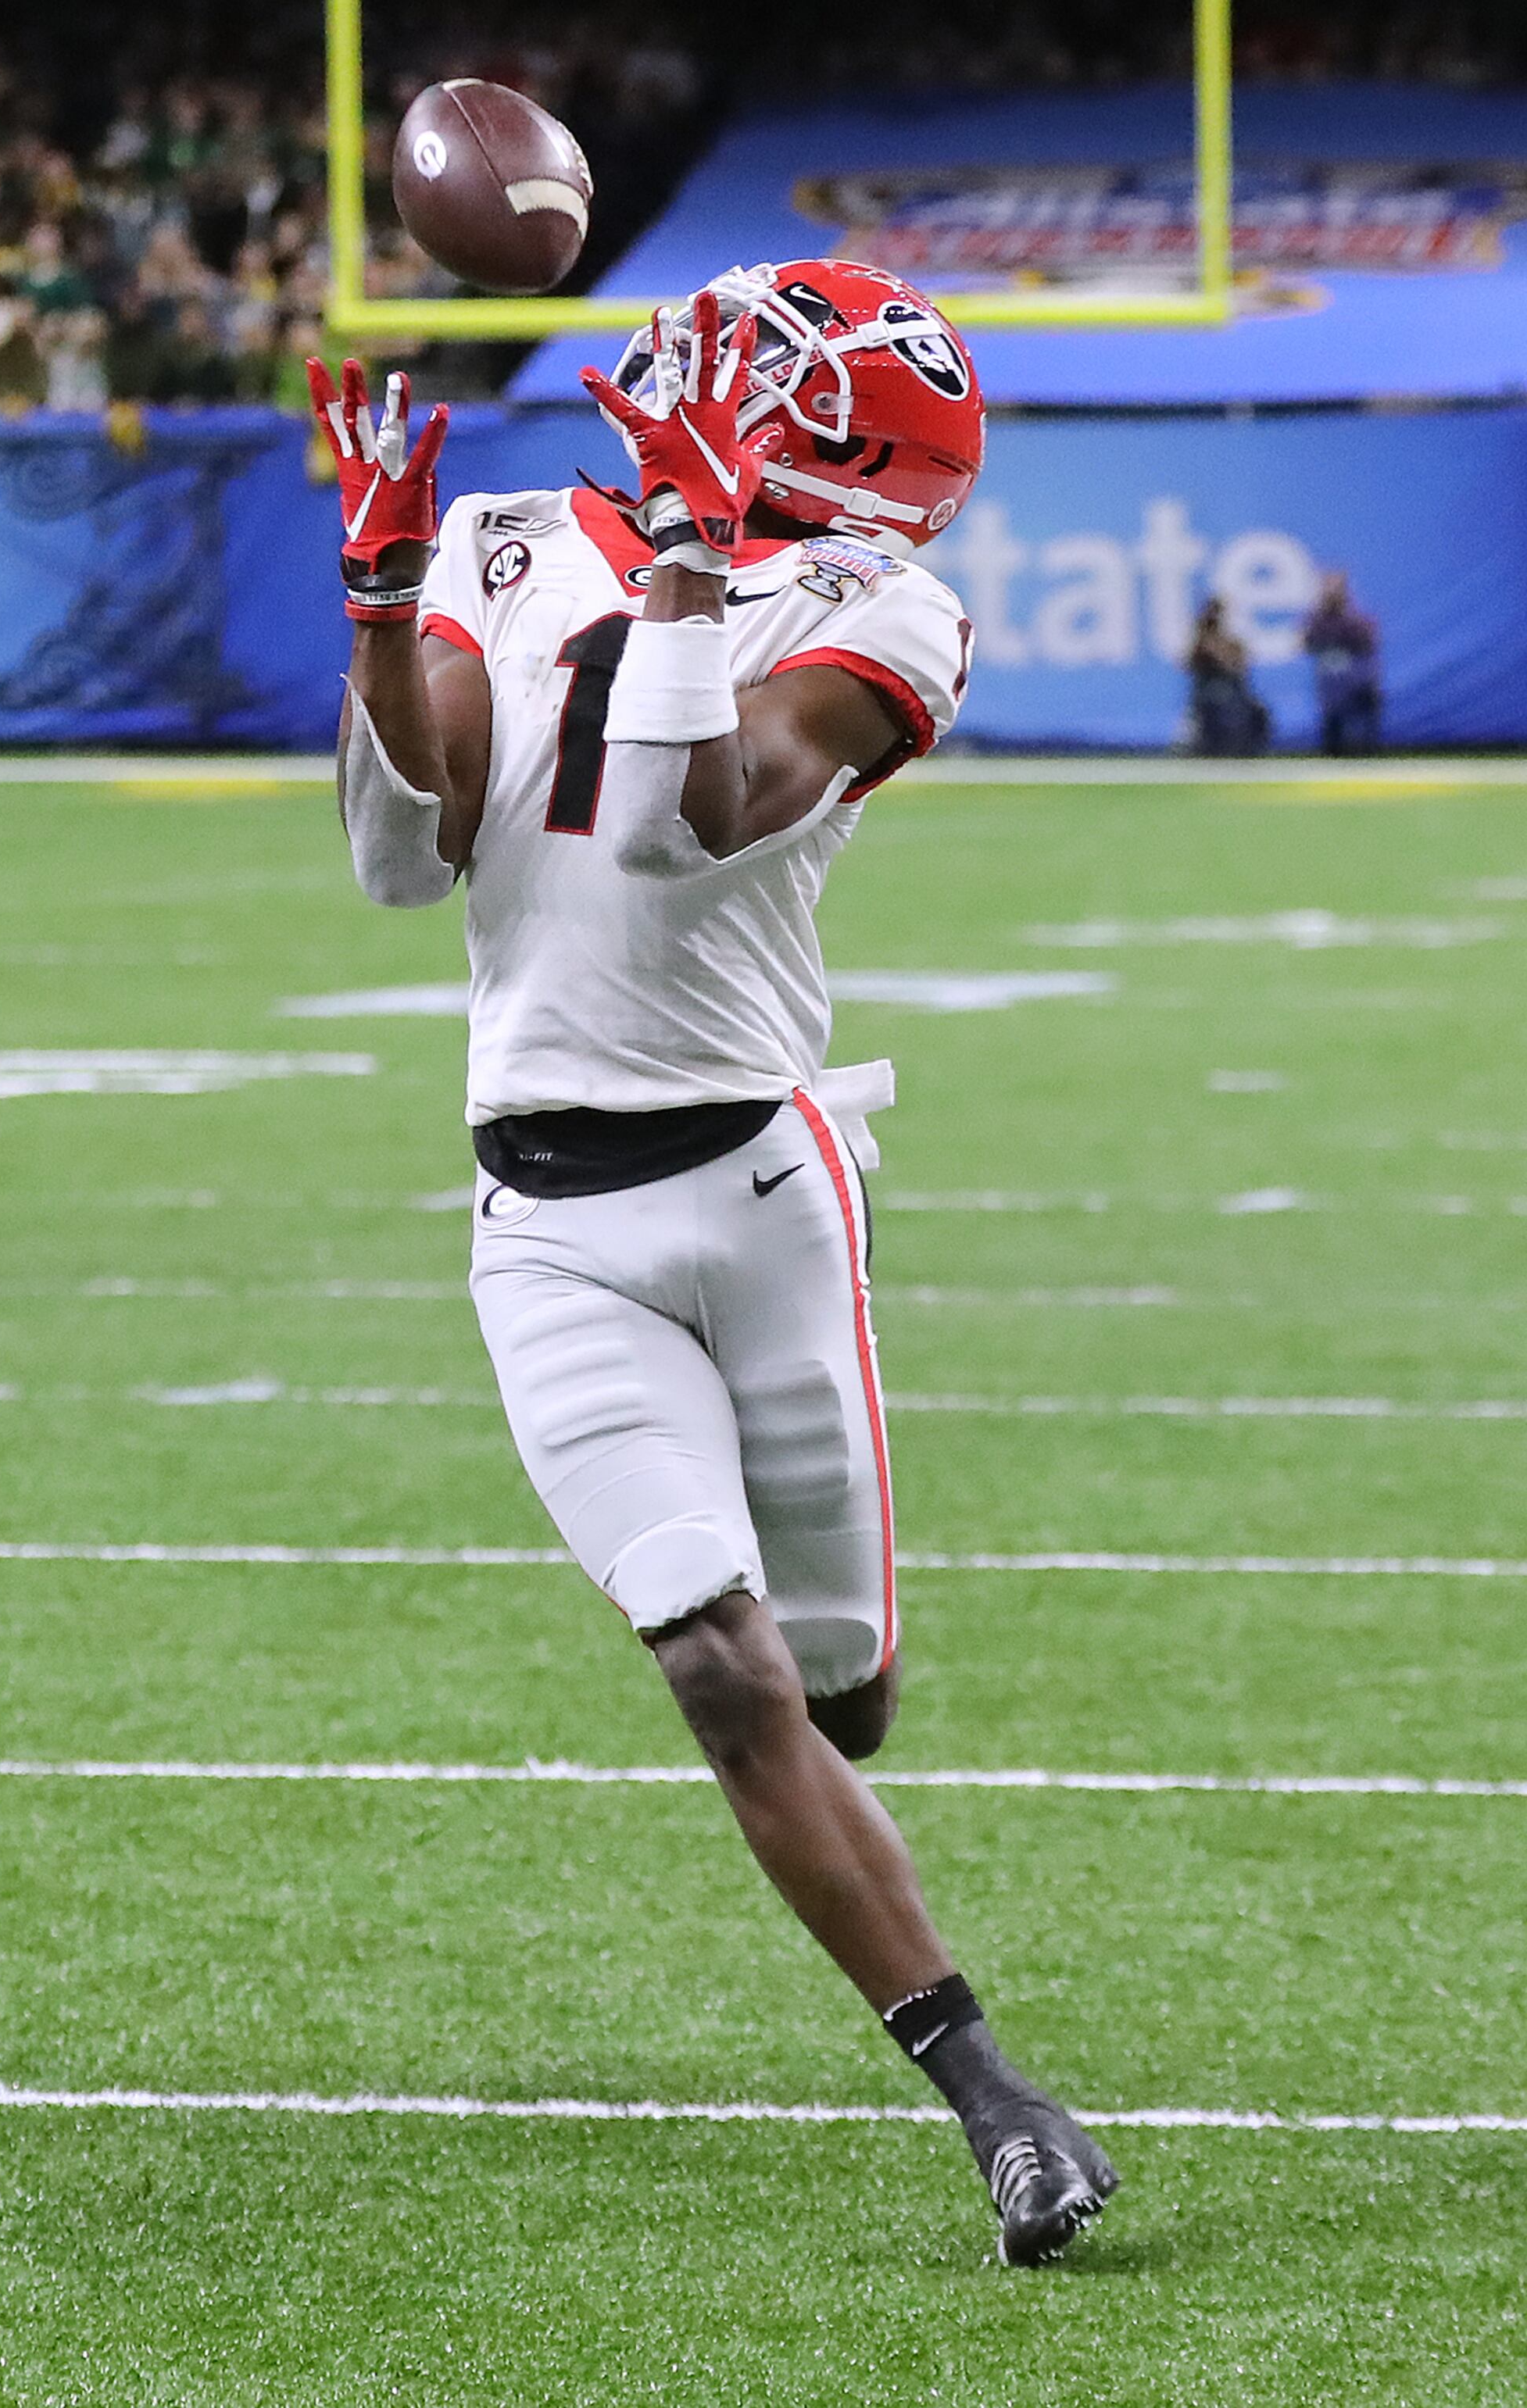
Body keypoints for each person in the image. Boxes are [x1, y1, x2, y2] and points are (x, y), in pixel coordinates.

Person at [313, 260, 1115, 2268]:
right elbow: (402, 858)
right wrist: (377, 611)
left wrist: (682, 567)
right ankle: (989, 2092)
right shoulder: (502, 541)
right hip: (548, 1228)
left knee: (834, 1697)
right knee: (711, 1661)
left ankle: (849, 1689)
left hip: (761, 1199)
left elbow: (698, 819)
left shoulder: (882, 610)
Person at [1303, 571, 1381, 756]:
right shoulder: (1317, 619)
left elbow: (1367, 641)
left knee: (1361, 730)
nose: (1331, 593)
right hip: (1331, 686)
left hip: (1357, 683)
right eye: (1328, 588)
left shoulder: (1356, 618)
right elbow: (1308, 642)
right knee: (1333, 727)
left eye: (1336, 588)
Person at [1186, 597, 1267, 757]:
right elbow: (1188, 663)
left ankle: (1249, 750)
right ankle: (1214, 750)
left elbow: (1239, 664)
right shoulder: (1200, 639)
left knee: (1258, 711)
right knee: (1221, 705)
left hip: (1234, 688)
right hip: (1209, 687)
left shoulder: (1231, 639)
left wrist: (1225, 653)